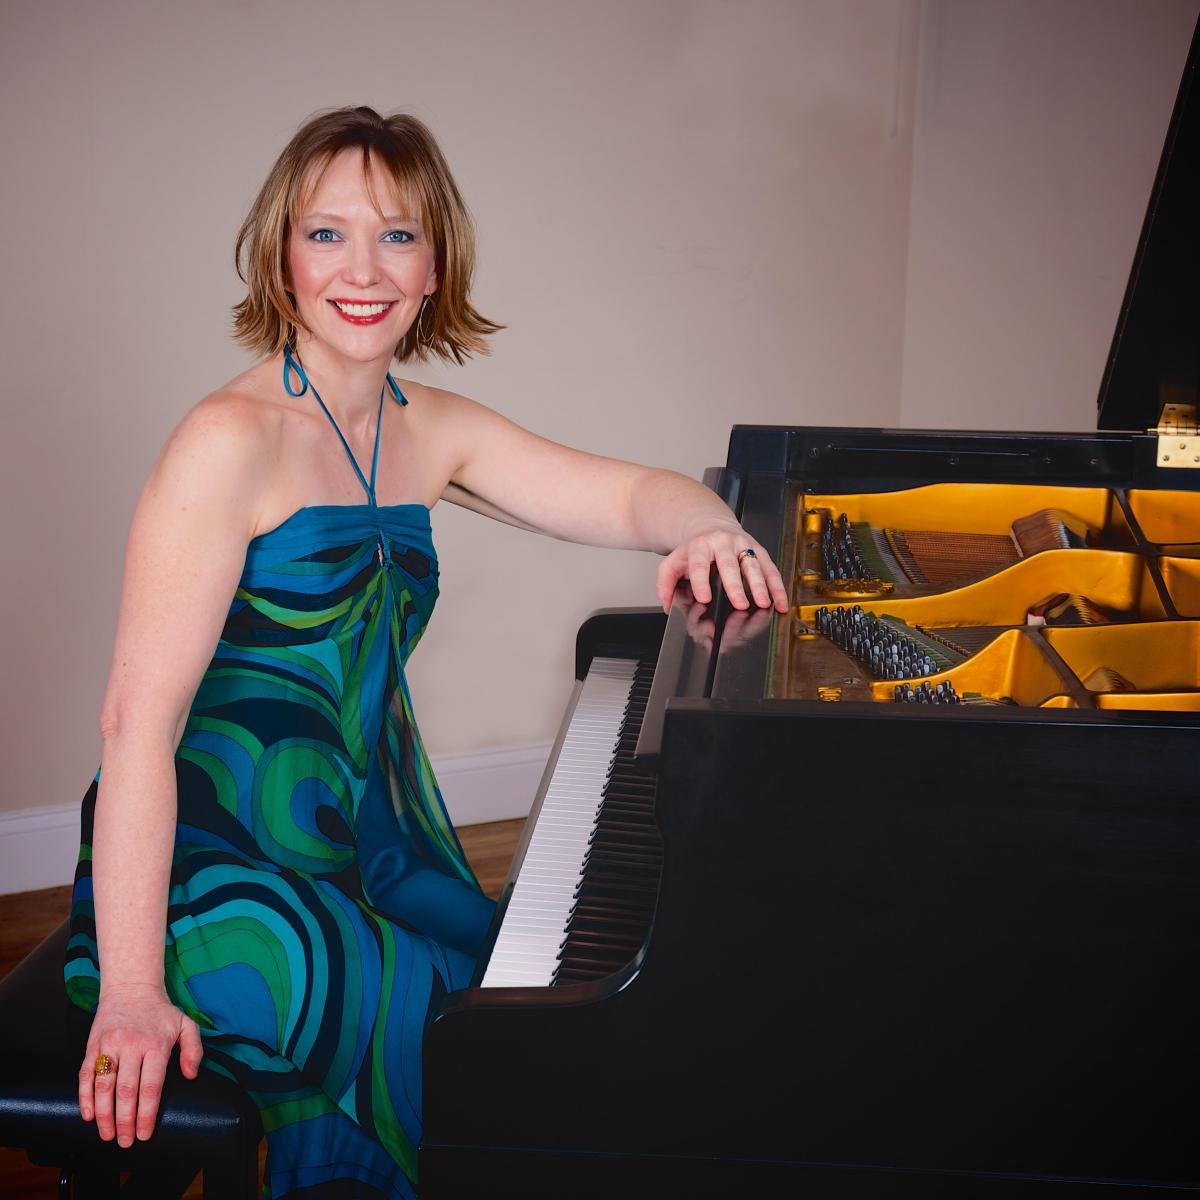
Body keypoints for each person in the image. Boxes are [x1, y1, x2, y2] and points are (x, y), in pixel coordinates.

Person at [64, 105, 789, 1200]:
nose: (364, 268)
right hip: (211, 853)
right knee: (389, 1000)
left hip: (367, 825)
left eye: (398, 235)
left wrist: (710, 527)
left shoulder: (430, 426)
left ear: (437, 262)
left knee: (502, 979)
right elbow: (135, 728)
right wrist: (129, 987)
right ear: (281, 254)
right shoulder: (229, 441)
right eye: (328, 234)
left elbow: (634, 493)